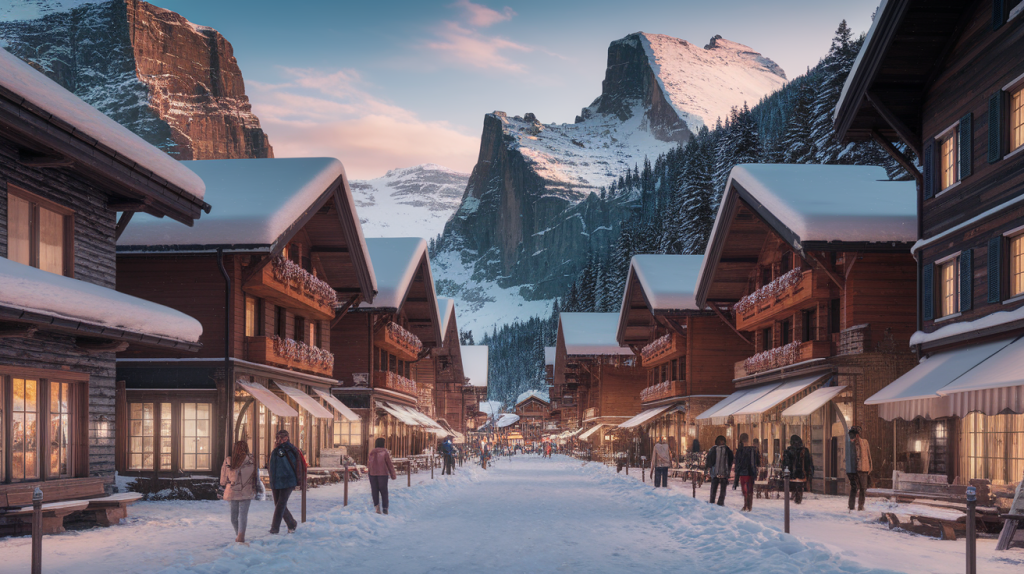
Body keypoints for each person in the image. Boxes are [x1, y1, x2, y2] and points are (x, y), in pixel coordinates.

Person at [268, 429, 305, 534]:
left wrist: (277, 449)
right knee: (279, 504)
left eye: (282, 438)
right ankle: (291, 523)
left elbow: (281, 459)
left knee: (280, 504)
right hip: (277, 481)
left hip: (286, 481)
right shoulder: (280, 450)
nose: (279, 440)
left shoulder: (285, 450)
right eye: (278, 438)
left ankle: (274, 529)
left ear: (286, 438)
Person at [220, 440, 256, 544]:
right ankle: (240, 536)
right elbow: (255, 476)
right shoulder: (249, 460)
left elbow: (223, 477)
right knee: (239, 516)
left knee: (237, 516)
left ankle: (240, 536)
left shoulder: (231, 461)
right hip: (240, 490)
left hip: (238, 490)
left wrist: (223, 483)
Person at [368, 437, 398, 515]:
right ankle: (385, 508)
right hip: (383, 474)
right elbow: (389, 464)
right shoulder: (385, 452)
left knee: (374, 491)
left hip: (373, 474)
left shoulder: (372, 452)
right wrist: (393, 474)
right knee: (384, 491)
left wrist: (370, 472)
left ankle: (377, 507)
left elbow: (369, 463)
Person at [782, 434, 814, 504]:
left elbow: (785, 464)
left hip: (791, 476)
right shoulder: (805, 451)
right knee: (799, 488)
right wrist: (810, 474)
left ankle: (794, 497)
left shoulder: (788, 451)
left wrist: (785, 473)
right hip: (801, 475)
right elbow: (809, 463)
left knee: (793, 488)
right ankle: (798, 498)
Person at [846, 426, 872, 511]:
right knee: (854, 487)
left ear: (857, 435)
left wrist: (870, 466)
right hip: (854, 469)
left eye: (852, 436)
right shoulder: (850, 444)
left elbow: (868, 455)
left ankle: (860, 506)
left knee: (863, 488)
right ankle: (851, 506)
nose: (851, 438)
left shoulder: (864, 442)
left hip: (863, 468)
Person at [733, 433, 760, 512]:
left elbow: (737, 462)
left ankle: (746, 505)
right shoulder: (753, 450)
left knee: (745, 490)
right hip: (749, 471)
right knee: (749, 489)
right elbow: (757, 462)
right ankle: (748, 505)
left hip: (743, 472)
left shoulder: (741, 450)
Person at [706, 435, 733, 506]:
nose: (721, 442)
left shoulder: (727, 450)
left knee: (722, 490)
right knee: (714, 488)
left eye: (722, 441)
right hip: (716, 472)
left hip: (724, 472)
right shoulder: (713, 449)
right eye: (720, 441)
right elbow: (709, 460)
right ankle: (712, 501)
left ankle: (720, 502)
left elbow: (731, 459)